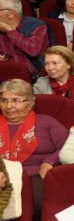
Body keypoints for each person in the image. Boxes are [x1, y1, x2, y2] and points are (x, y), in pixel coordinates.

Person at [0, 79, 68, 211]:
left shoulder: (46, 122)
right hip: (2, 173)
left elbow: (68, 145)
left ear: (30, 103)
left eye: (15, 100)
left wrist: (50, 162)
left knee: (39, 202)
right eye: (3, 100)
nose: (8, 106)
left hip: (35, 173)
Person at [33, 46, 74, 118]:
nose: (50, 68)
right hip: (49, 125)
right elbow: (36, 109)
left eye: (55, 63)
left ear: (69, 64)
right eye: (46, 64)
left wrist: (58, 114)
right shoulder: (41, 82)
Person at [0, 0, 49, 77]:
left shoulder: (36, 26)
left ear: (11, 14)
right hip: (4, 73)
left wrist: (10, 31)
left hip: (29, 77)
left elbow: (34, 50)